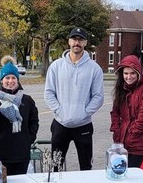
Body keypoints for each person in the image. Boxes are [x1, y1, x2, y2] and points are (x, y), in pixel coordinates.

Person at [44, 27, 104, 170]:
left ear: (85, 43)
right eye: (74, 39)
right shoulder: (56, 66)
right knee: (55, 166)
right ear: (69, 41)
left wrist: (84, 113)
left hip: (83, 125)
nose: (77, 42)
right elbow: (49, 92)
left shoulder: (94, 69)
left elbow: (98, 96)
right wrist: (59, 111)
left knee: (85, 166)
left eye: (80, 40)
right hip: (60, 124)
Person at [0, 57, 39, 175]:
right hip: (1, 153)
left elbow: (34, 122)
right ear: (1, 80)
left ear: (18, 80)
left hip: (21, 152)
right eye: (7, 78)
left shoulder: (27, 100)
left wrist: (29, 139)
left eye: (13, 77)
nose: (10, 81)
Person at [109, 55, 143, 168]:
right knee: (119, 172)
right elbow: (115, 112)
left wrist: (134, 132)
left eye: (132, 73)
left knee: (132, 173)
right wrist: (116, 131)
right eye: (126, 73)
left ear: (138, 73)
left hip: (137, 140)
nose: (129, 77)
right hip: (120, 140)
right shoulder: (121, 88)